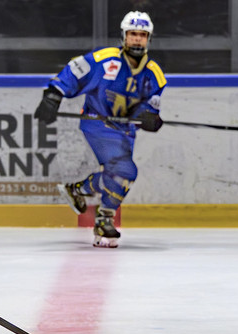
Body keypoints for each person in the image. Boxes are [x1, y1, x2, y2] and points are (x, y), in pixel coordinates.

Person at [34, 11, 167, 248]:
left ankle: (78, 189)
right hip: (97, 122)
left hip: (124, 131)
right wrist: (54, 94)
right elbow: (74, 71)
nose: (137, 39)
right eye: (133, 34)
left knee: (119, 174)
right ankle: (104, 220)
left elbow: (148, 108)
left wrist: (150, 118)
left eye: (142, 35)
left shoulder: (154, 75)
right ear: (124, 36)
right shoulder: (105, 60)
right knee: (125, 170)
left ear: (149, 39)